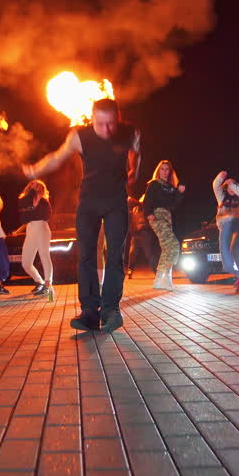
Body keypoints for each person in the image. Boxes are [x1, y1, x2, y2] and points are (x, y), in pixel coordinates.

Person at [24, 98, 141, 332]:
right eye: (100, 124)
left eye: (110, 124)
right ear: (92, 117)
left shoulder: (130, 132)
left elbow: (137, 153)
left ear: (118, 118)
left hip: (116, 201)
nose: (106, 130)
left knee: (115, 254)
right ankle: (89, 313)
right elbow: (57, 157)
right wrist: (37, 169)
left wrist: (133, 170)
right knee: (86, 256)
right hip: (88, 203)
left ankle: (111, 311)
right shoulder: (79, 136)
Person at [140, 159, 185, 291]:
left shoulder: (171, 187)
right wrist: (149, 213)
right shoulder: (154, 184)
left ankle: (161, 280)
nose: (165, 172)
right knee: (174, 245)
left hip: (167, 217)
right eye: (162, 169)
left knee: (166, 248)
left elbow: (174, 205)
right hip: (156, 216)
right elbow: (147, 200)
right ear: (158, 171)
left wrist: (179, 193)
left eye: (167, 169)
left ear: (170, 172)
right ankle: (164, 277)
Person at [212, 171, 239, 292]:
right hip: (226, 229)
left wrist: (233, 185)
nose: (230, 187)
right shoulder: (222, 199)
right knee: (227, 262)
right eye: (228, 186)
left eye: (233, 185)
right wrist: (221, 177)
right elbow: (215, 186)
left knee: (235, 249)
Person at [17, 179, 54, 299]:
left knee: (44, 255)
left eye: (38, 185)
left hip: (41, 227)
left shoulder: (44, 201)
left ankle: (48, 285)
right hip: (31, 229)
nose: (36, 187)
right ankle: (39, 281)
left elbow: (46, 215)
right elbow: (23, 215)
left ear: (42, 188)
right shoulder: (25, 200)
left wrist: (36, 202)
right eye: (33, 185)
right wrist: (32, 201)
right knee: (26, 263)